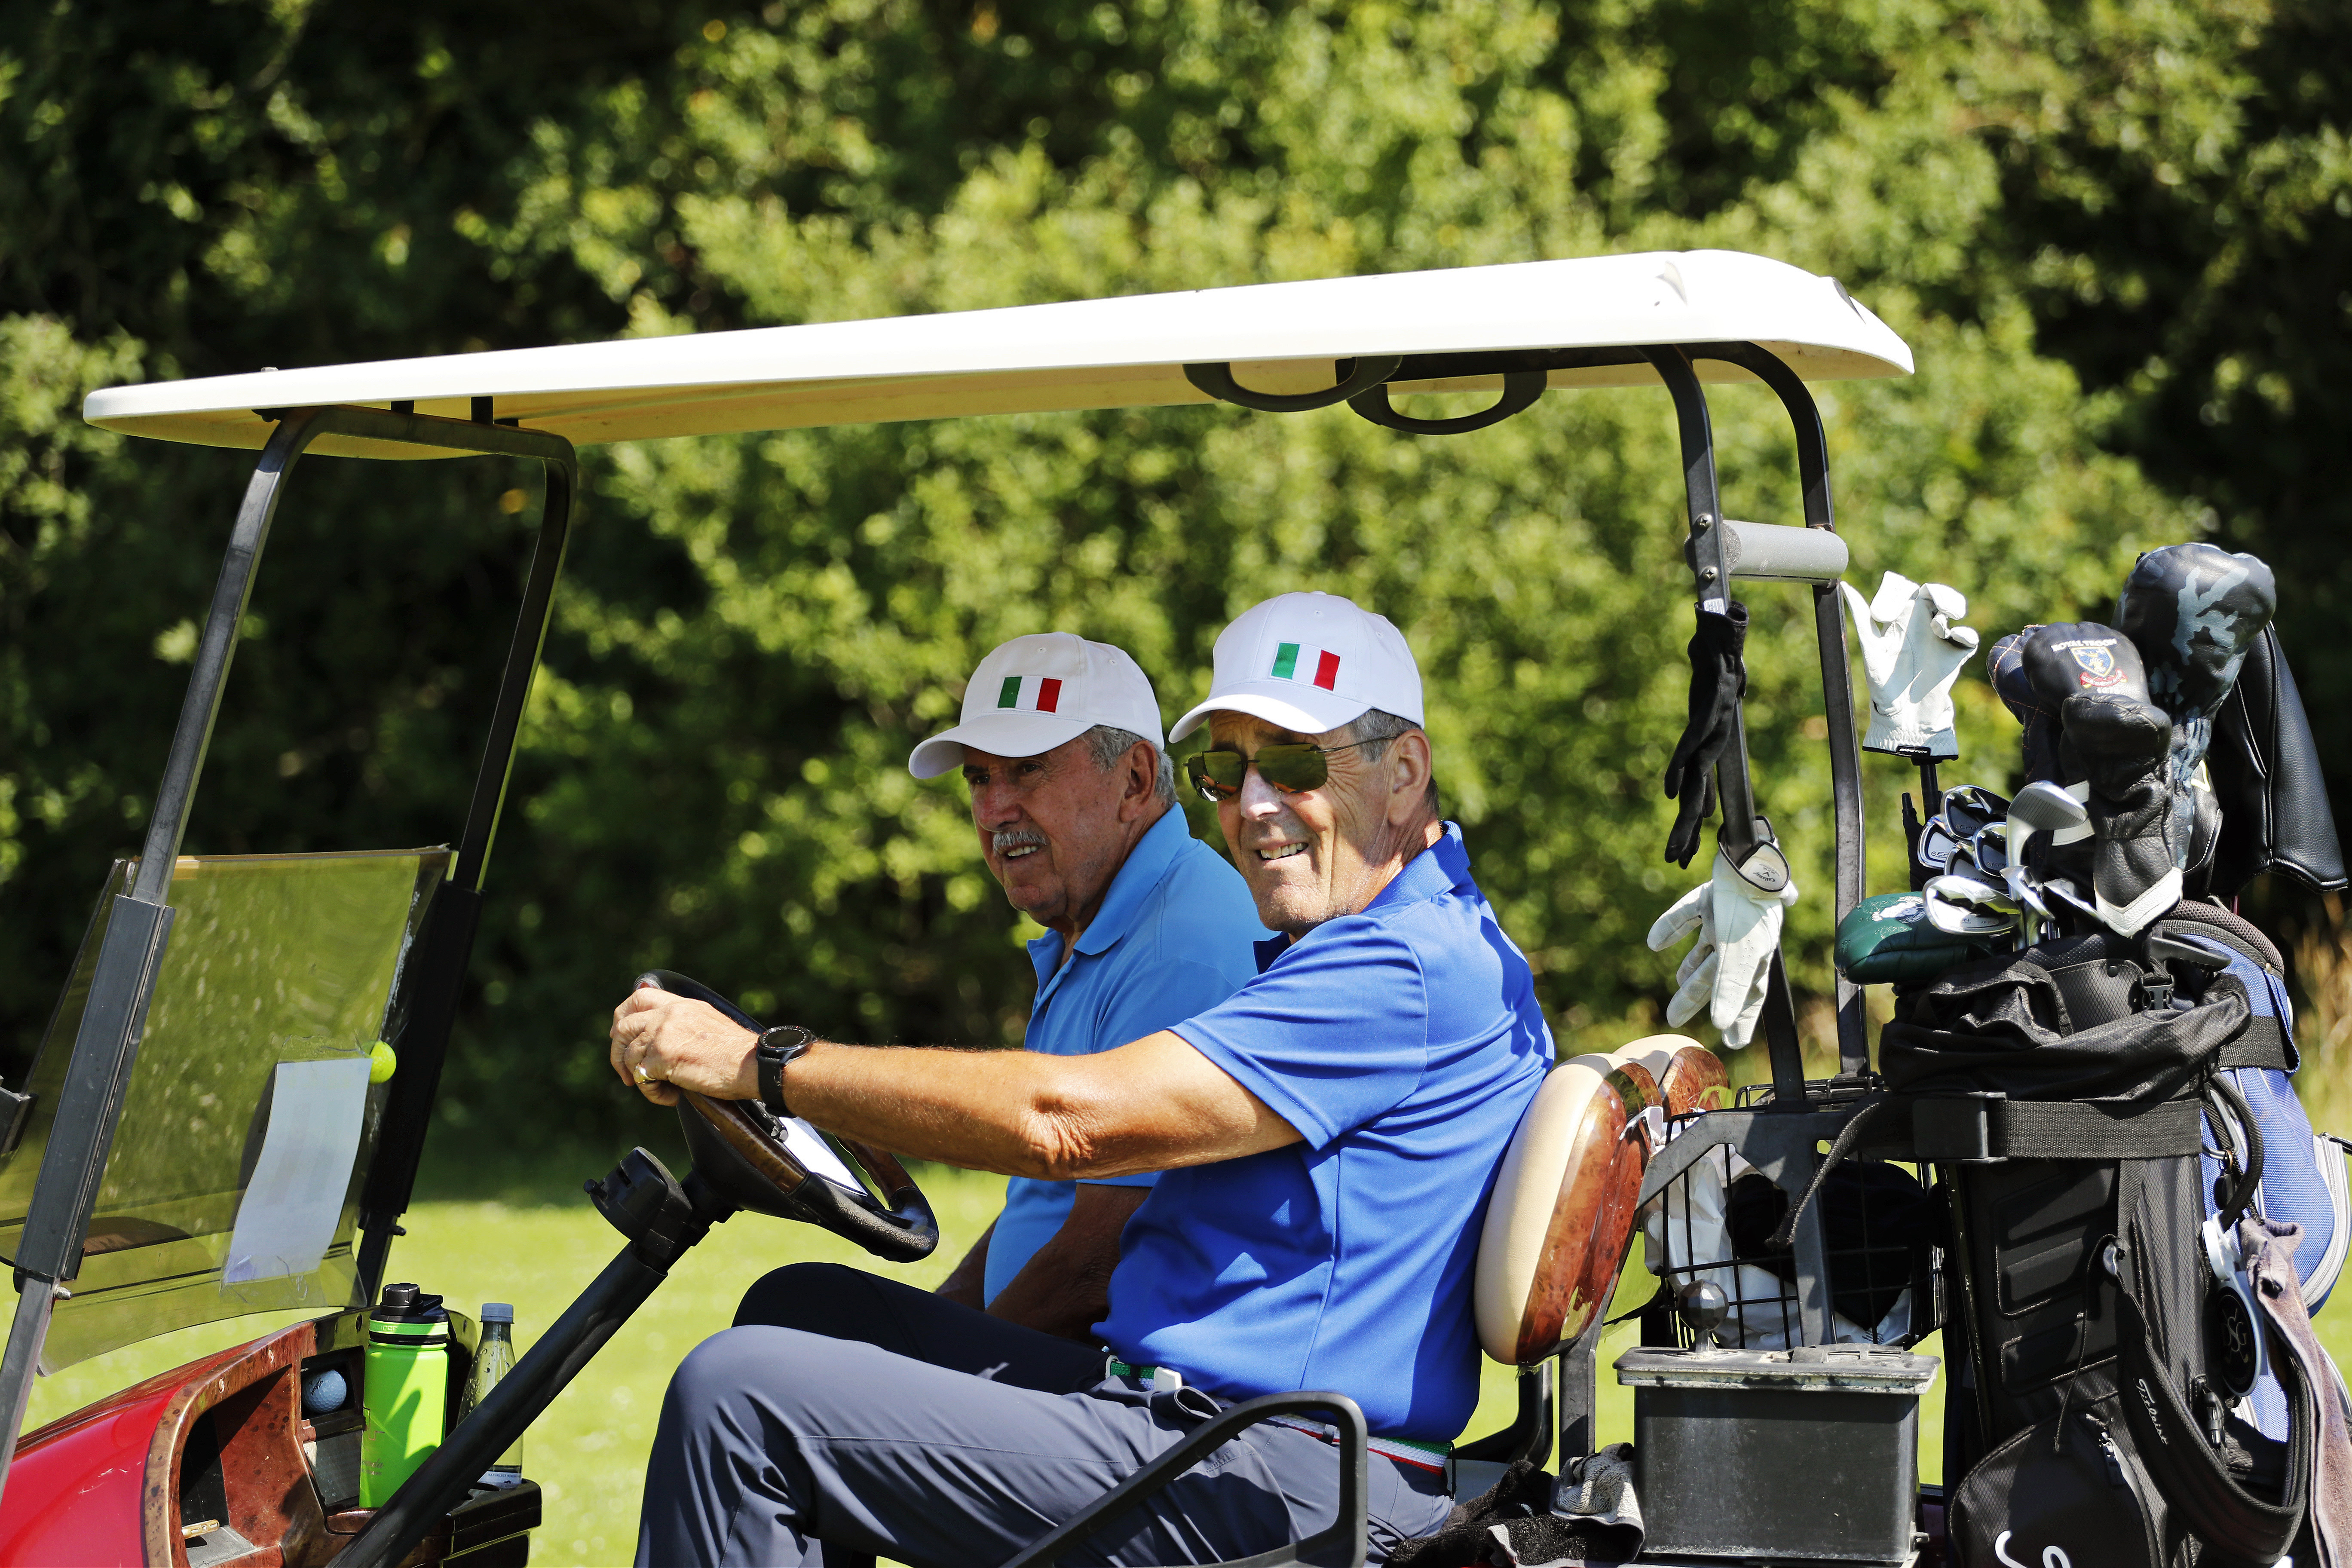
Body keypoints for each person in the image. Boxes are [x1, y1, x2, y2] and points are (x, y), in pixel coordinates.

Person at [612, 591, 1553, 1567]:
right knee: (808, 1312)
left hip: (1280, 1472)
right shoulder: (1387, 938)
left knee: (739, 1399)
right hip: (1222, 1431)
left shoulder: (1392, 967)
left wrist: (761, 1066)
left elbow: (1066, 1125)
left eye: (1294, 765)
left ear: (1407, 771)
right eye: (1226, 772)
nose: (1254, 805)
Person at [907, 631, 1268, 1338]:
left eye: (1028, 771)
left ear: (1135, 780)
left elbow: (1100, 1265)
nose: (995, 810)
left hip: (1113, 1401)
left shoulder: (1178, 951)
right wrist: (930, 1327)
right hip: (1065, 1377)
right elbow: (1044, 1212)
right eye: (979, 779)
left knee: (755, 1362)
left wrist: (925, 1376)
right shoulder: (1105, 924)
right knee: (800, 1307)